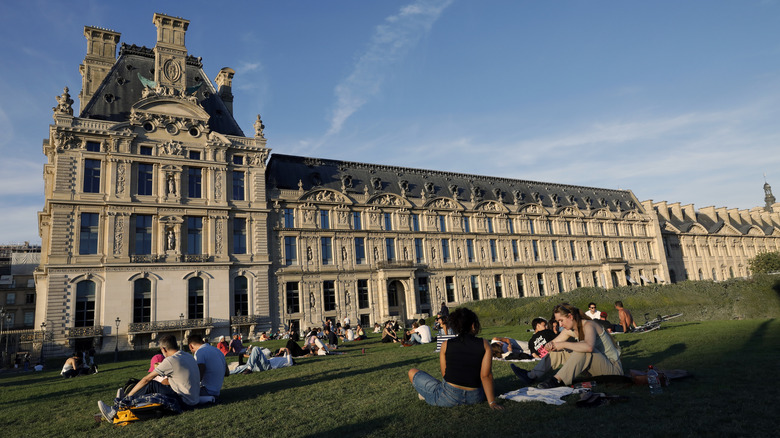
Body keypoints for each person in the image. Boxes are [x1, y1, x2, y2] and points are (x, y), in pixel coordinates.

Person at [407, 308, 502, 409]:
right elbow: (486, 376)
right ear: (473, 325)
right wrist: (492, 402)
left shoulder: (445, 345)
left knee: (412, 372)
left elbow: (445, 374)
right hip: (475, 396)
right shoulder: (485, 344)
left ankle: (428, 394)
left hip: (448, 397)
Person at [510, 303, 623, 389]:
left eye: (561, 320)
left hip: (614, 371)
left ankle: (556, 380)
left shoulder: (589, 325)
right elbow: (554, 344)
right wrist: (550, 346)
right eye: (558, 322)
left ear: (570, 316)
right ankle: (531, 376)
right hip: (596, 369)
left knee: (582, 348)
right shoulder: (569, 330)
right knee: (558, 351)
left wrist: (563, 344)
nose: (560, 324)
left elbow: (589, 347)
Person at [98, 334, 200, 422]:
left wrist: (129, 395)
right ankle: (125, 400)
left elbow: (146, 379)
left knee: (150, 384)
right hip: (194, 398)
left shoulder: (170, 360)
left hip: (184, 401)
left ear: (163, 349)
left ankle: (117, 408)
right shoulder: (187, 355)